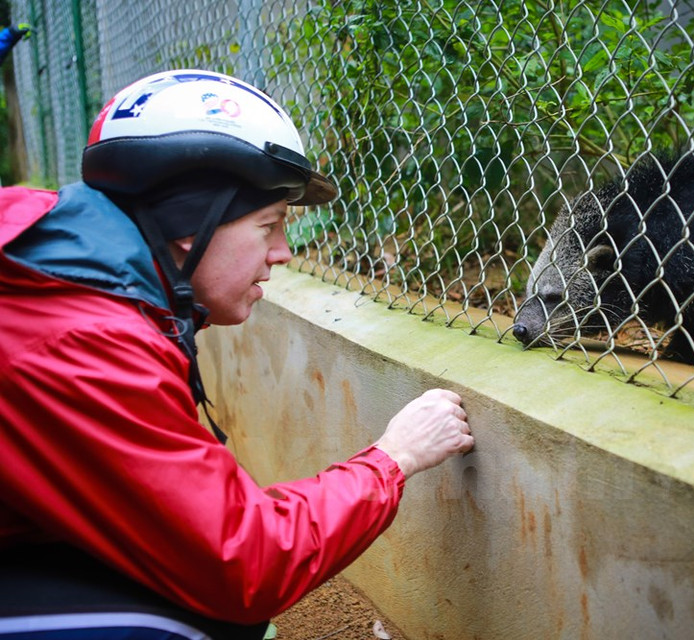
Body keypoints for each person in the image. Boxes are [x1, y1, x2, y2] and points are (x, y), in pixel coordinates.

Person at [0, 69, 474, 639]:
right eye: (269, 225)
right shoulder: (80, 342)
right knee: (201, 622)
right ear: (187, 224)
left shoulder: (74, 287)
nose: (285, 253)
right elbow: (244, 561)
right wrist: (394, 457)